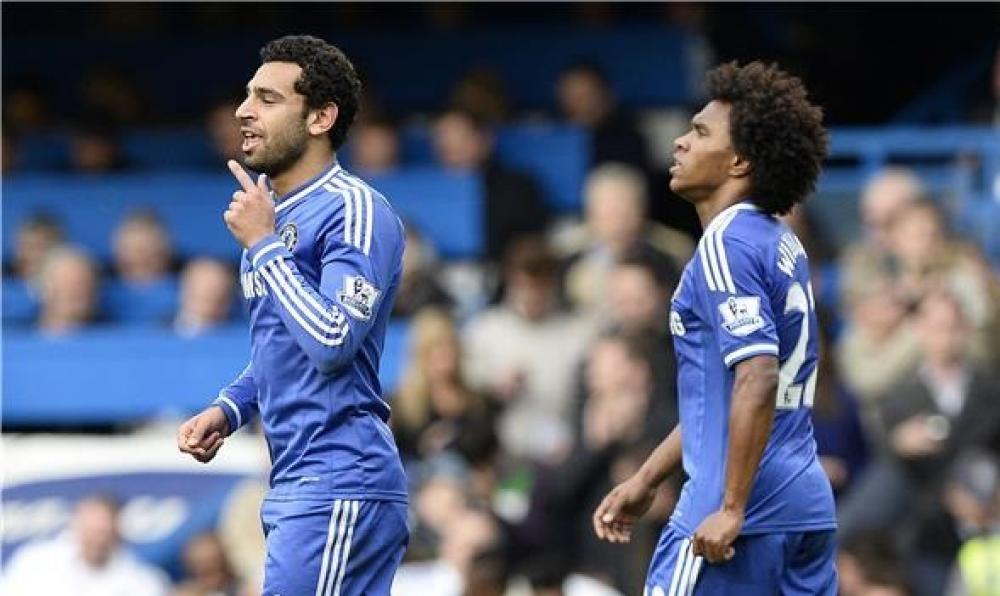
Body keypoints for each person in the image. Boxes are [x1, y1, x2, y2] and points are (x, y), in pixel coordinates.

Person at [175, 35, 409, 596]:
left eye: (268, 98)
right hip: (299, 480)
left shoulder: (353, 209)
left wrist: (263, 245)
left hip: (339, 477)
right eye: (247, 95)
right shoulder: (274, 218)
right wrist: (231, 407)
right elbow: (282, 346)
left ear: (321, 118)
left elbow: (333, 337)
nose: (243, 110)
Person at [592, 61, 837, 594]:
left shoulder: (726, 245)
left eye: (701, 132)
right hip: (804, 506)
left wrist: (731, 506)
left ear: (740, 161)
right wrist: (647, 478)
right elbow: (722, 396)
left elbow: (758, 376)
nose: (680, 142)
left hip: (738, 512)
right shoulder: (780, 241)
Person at [0, 495, 170, 595]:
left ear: (117, 531)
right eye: (90, 529)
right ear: (75, 524)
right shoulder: (33, 563)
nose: (96, 539)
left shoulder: (143, 581)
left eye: (103, 531)